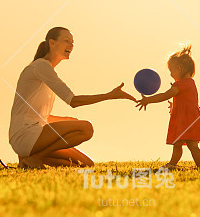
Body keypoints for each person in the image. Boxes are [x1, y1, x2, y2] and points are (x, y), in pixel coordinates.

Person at [9, 26, 135, 169]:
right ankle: (34, 157)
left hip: (34, 133)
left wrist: (66, 120)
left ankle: (29, 160)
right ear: (52, 43)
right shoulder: (41, 67)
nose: (71, 45)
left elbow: (39, 115)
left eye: (72, 42)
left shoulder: (45, 69)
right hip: (26, 134)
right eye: (66, 41)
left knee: (86, 164)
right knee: (86, 128)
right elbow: (73, 101)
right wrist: (110, 95)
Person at [135, 45, 200, 169]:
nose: (170, 74)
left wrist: (148, 100)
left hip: (187, 120)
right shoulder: (189, 83)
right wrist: (175, 104)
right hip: (189, 119)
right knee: (179, 144)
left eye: (171, 71)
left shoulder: (182, 84)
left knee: (191, 145)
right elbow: (185, 100)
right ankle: (173, 164)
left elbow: (165, 95)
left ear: (179, 69)